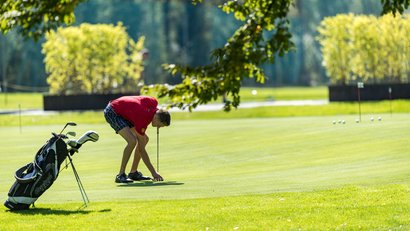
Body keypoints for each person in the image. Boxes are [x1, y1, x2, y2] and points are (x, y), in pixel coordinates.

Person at [103, 95, 171, 183]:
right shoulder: (143, 118)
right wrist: (153, 173)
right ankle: (120, 175)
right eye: (159, 125)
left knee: (145, 139)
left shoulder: (154, 102)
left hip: (125, 112)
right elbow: (142, 150)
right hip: (113, 111)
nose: (158, 127)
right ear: (156, 118)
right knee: (132, 141)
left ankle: (133, 172)